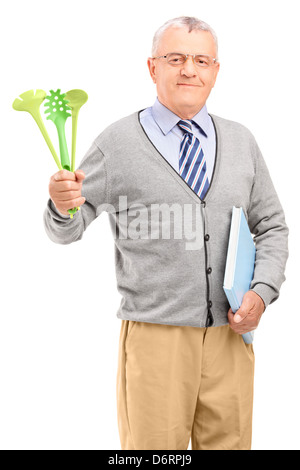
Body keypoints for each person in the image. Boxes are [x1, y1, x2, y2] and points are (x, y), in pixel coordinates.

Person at [44, 16, 289, 450]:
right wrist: (62, 207)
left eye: (200, 60)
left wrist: (262, 291)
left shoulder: (241, 141)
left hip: (232, 334)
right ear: (152, 67)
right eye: (175, 58)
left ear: (216, 70)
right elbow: (68, 228)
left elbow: (271, 225)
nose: (188, 70)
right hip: (156, 337)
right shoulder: (117, 143)